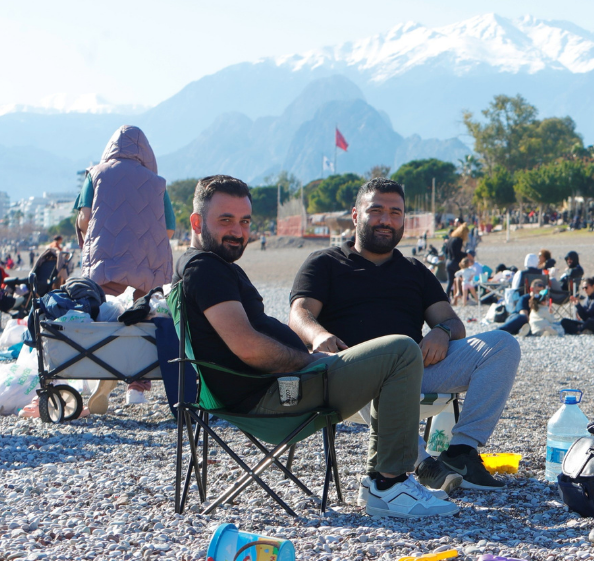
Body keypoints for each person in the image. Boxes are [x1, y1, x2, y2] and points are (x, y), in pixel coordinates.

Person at [177, 175, 455, 518]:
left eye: (244, 221)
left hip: (268, 387)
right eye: (225, 220)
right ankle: (389, 485)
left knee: (393, 353)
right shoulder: (206, 269)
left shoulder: (206, 267)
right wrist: (306, 360)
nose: (237, 231)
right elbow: (247, 347)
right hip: (274, 394)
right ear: (196, 222)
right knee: (400, 350)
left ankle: (383, 481)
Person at [288, 178, 520, 491]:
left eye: (395, 213)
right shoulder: (325, 263)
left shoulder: (414, 270)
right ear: (356, 216)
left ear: (403, 221)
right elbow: (299, 314)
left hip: (415, 369)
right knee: (387, 362)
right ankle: (422, 462)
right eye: (376, 211)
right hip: (351, 373)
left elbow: (453, 323)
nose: (386, 220)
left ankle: (461, 452)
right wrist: (317, 336)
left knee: (503, 345)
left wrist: (440, 331)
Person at [75, 125, 176, 412]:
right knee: (143, 317)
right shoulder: (156, 182)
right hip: (148, 262)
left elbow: (84, 218)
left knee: (102, 314)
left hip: (105, 257)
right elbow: (168, 228)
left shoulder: (96, 174)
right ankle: (138, 386)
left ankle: (101, 372)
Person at [444, 223, 468, 290]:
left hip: (448, 262)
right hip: (455, 262)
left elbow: (446, 251)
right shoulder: (459, 240)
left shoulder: (451, 238)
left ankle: (447, 297)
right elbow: (457, 253)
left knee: (450, 282)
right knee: (461, 279)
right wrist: (466, 255)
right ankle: (463, 296)